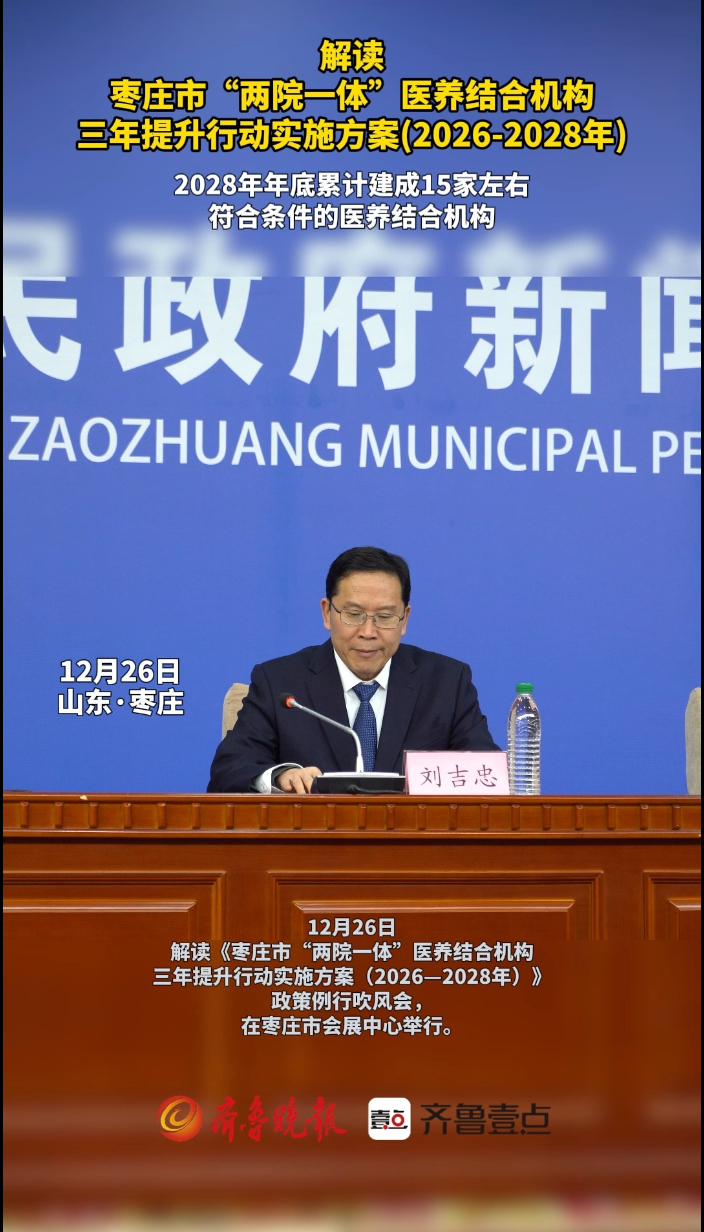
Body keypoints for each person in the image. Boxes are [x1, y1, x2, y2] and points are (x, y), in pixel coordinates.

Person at [208, 546, 499, 794]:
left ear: (404, 619)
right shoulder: (280, 683)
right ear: (327, 613)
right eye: (354, 614)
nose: (368, 631)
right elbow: (229, 770)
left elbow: (489, 777)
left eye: (385, 616)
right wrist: (280, 777)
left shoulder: (447, 683)